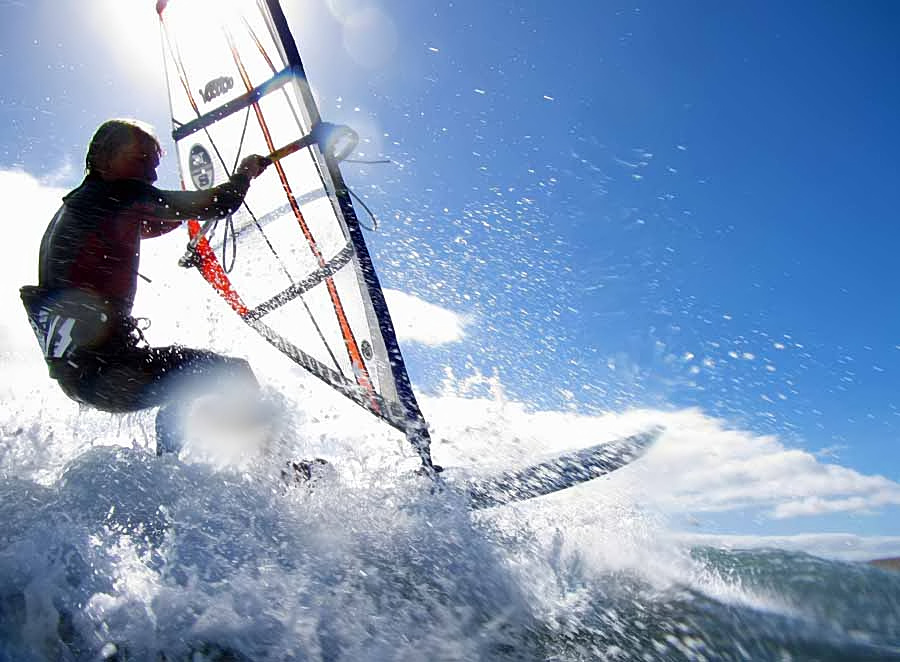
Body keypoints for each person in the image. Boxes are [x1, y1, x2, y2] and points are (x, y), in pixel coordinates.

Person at [20, 118, 271, 455]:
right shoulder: (119, 193)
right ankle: (279, 470)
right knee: (233, 373)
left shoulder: (78, 207)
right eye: (141, 161)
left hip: (80, 379)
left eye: (154, 167)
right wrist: (244, 173)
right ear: (103, 158)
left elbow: (150, 225)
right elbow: (219, 203)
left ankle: (167, 469)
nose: (151, 176)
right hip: (112, 371)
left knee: (185, 383)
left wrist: (188, 218)